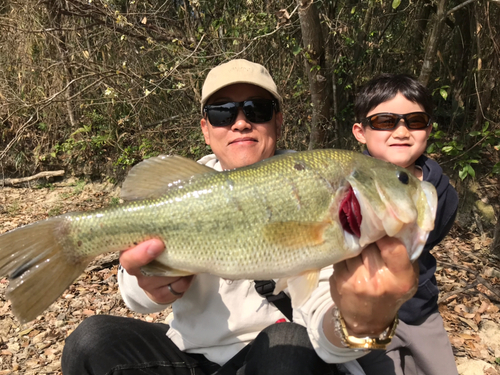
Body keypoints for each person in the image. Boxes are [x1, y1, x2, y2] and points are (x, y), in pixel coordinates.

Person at [61, 60, 419, 375]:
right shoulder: (182, 188)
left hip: (287, 359)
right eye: (222, 112)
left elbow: (324, 323)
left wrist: (357, 322)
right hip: (192, 357)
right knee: (90, 342)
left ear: (278, 122)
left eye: (257, 109)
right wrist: (155, 285)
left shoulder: (323, 185)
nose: (241, 122)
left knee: (286, 345)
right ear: (205, 129)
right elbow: (135, 297)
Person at [351, 73, 459, 375]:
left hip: (421, 313)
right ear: (360, 131)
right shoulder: (347, 185)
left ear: (428, 129)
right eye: (385, 121)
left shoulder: (444, 193)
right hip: (365, 312)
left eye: (414, 120)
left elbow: (431, 240)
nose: (401, 130)